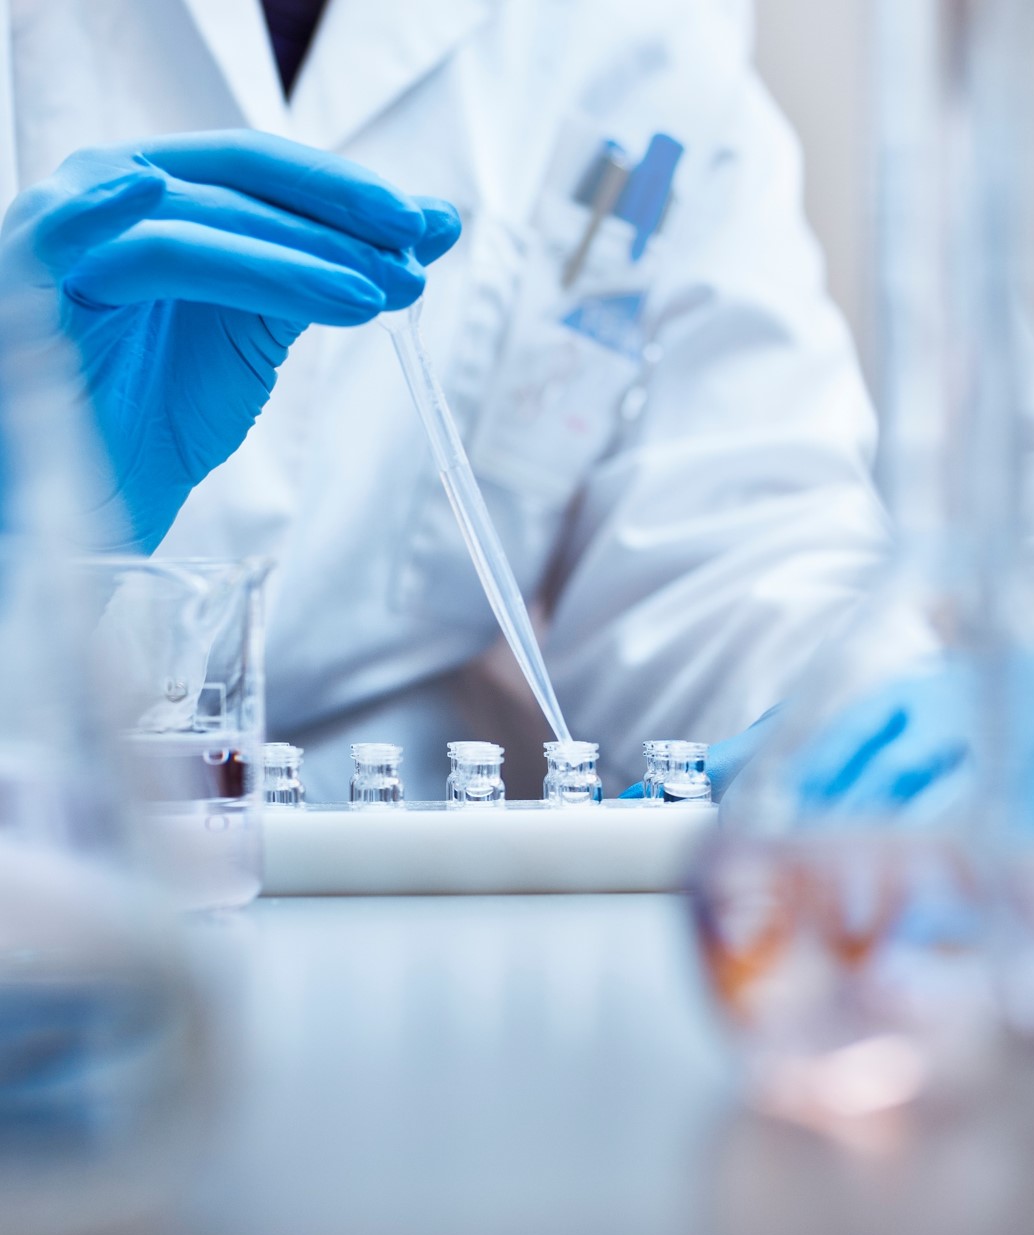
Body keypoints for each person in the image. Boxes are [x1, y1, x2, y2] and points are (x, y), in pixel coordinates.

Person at [0, 0, 892, 801]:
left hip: (423, 872)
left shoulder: (638, 31)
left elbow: (731, 546)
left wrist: (857, 715)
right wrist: (17, 529)